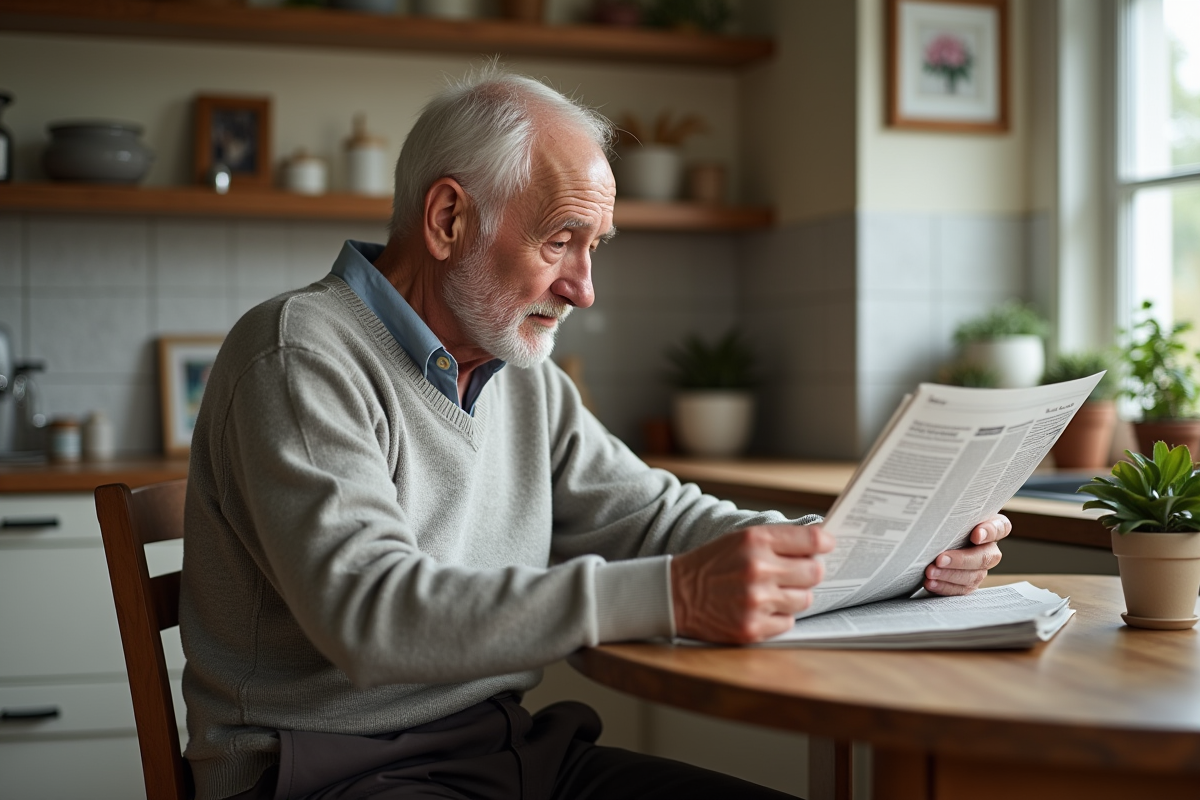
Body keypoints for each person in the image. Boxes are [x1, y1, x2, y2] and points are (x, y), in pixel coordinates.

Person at [179, 66, 1010, 800]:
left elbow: (657, 519)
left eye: (594, 246)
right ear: (447, 220)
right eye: (561, 240)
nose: (584, 289)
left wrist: (876, 550)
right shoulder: (300, 351)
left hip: (502, 749)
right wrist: (677, 593)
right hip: (326, 771)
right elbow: (369, 613)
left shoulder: (522, 376)